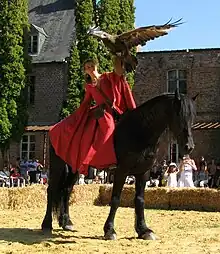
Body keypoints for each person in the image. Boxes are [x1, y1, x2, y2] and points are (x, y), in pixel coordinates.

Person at [49, 57, 136, 176]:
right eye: (87, 67)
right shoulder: (89, 86)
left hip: (114, 109)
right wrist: (76, 117)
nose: (90, 68)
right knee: (108, 128)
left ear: (96, 65)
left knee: (112, 128)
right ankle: (106, 161)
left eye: (91, 65)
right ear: (85, 71)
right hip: (102, 112)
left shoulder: (107, 76)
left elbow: (118, 77)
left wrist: (118, 56)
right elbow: (86, 103)